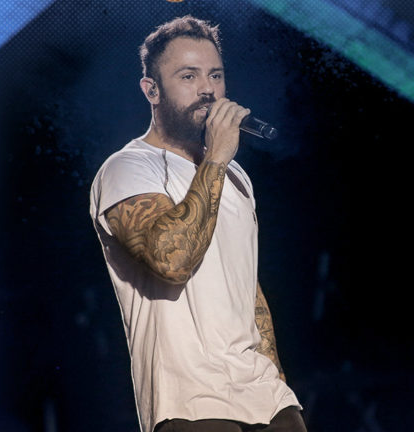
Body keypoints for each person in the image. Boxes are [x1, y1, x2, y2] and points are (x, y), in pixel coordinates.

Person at [89, 16, 306, 432]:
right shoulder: (127, 168)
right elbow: (172, 261)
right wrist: (218, 157)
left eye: (215, 75)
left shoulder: (236, 176)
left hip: (266, 395)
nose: (208, 89)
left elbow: (248, 290)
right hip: (191, 399)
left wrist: (276, 378)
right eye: (188, 76)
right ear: (151, 90)